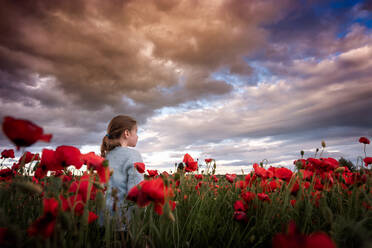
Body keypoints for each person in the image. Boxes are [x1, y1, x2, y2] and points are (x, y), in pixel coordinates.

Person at [100, 115, 144, 232]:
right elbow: (136, 192)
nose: (137, 136)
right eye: (136, 131)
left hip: (103, 220)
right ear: (127, 133)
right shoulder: (133, 155)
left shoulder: (106, 157)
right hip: (124, 221)